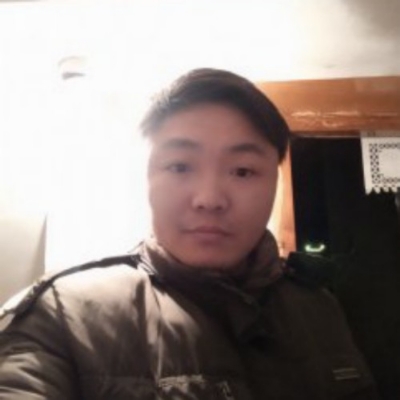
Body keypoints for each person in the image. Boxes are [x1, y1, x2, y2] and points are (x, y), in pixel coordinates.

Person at [0, 68, 380, 399]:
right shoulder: (65, 313)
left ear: (275, 182)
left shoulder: (317, 308)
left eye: (243, 171)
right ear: (146, 176)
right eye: (180, 167)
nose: (209, 199)